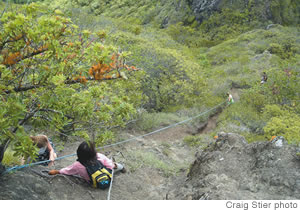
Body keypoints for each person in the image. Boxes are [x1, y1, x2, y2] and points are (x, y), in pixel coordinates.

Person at [48, 141, 125, 187]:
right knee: (115, 165)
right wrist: (113, 165)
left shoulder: (77, 165)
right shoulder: (99, 156)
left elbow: (66, 171)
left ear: (79, 153)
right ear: (93, 152)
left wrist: (57, 171)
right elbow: (110, 166)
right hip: (107, 175)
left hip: (93, 183)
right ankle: (121, 167)